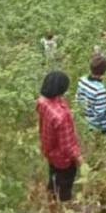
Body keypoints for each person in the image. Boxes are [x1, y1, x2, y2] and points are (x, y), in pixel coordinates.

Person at [36, 71, 82, 202]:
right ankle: (62, 206)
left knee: (53, 177)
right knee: (64, 185)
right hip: (63, 159)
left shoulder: (42, 101)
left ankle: (51, 198)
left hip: (49, 151)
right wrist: (80, 160)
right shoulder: (61, 116)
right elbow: (67, 146)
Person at [76, 54, 106, 133]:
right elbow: (100, 115)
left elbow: (81, 99)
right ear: (104, 71)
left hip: (84, 121)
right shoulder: (100, 89)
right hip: (98, 126)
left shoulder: (82, 80)